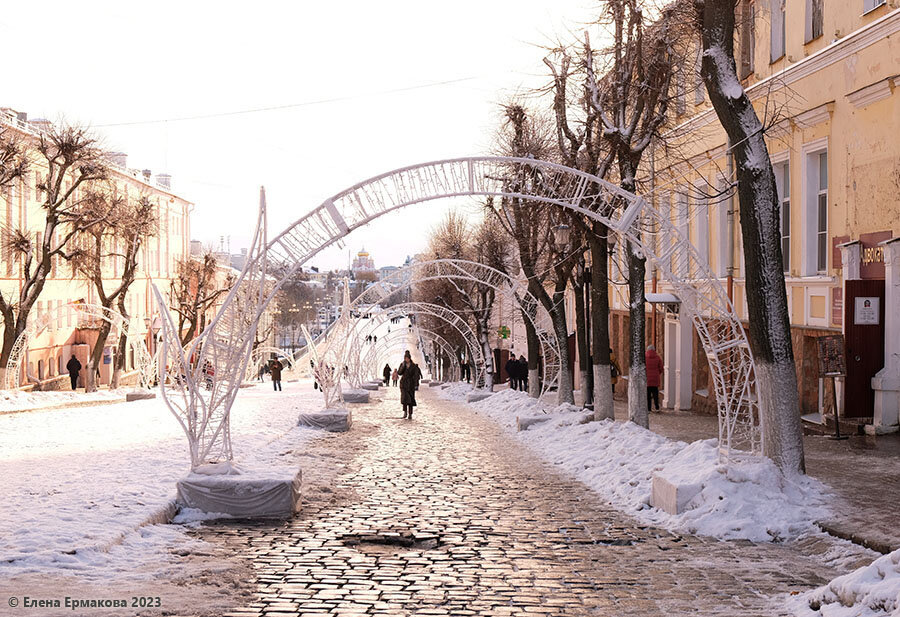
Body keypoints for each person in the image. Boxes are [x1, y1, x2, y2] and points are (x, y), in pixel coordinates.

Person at [397, 350, 422, 419]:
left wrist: (416, 384)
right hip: (404, 384)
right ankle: (405, 412)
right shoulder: (402, 365)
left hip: (411, 384)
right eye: (405, 358)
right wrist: (403, 366)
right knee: (404, 400)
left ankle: (410, 414)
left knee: (410, 400)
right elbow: (399, 373)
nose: (406, 359)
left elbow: (416, 375)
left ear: (410, 358)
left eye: (407, 358)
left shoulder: (413, 366)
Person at [645, 345, 663, 411]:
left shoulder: (645, 358)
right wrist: (658, 373)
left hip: (647, 379)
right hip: (655, 378)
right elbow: (661, 367)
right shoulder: (657, 357)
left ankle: (649, 408)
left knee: (648, 394)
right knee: (655, 393)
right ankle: (657, 407)